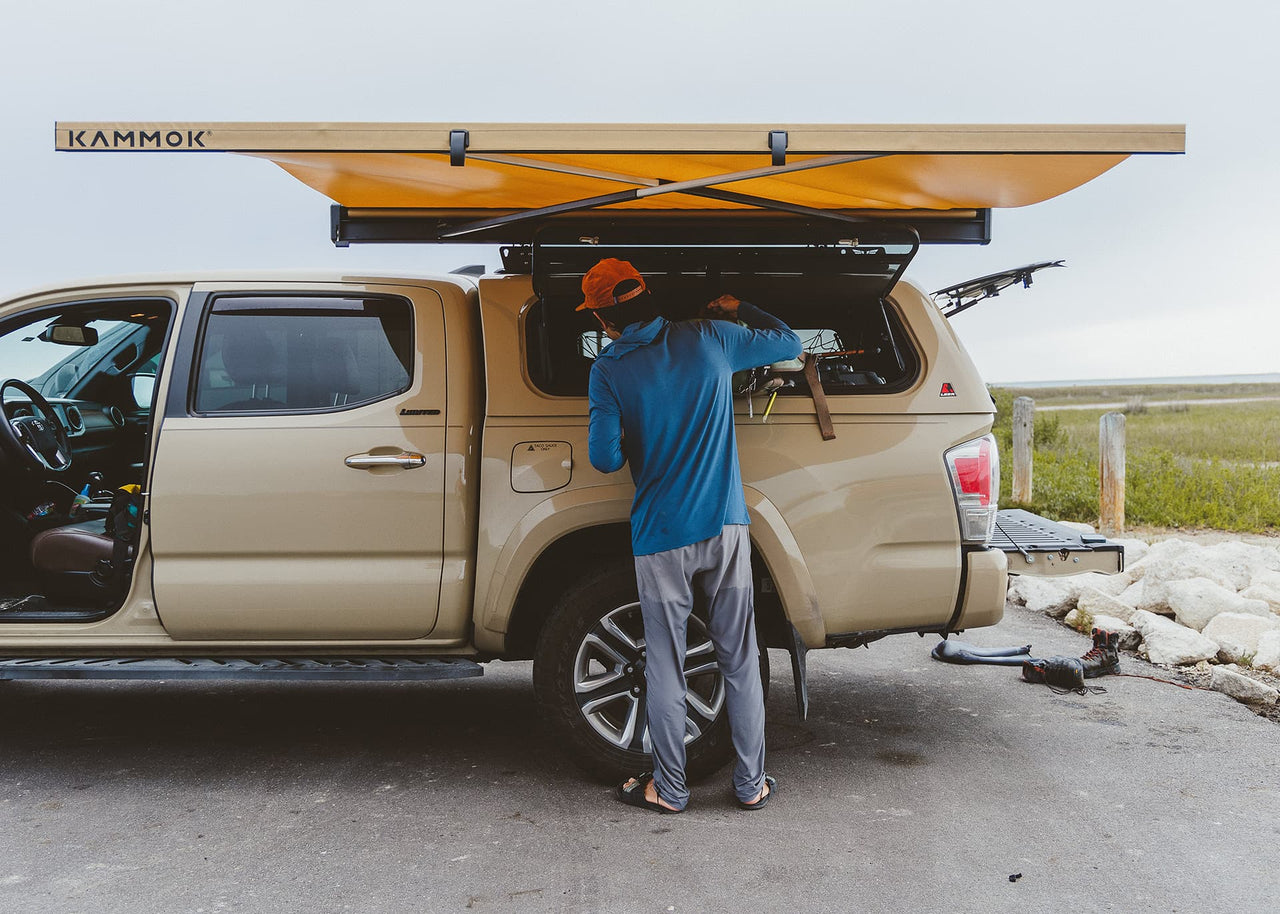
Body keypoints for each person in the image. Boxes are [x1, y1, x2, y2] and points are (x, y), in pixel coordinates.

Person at [581, 257, 802, 813]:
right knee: (740, 658)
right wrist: (738, 308)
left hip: (661, 537)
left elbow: (604, 459)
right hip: (725, 528)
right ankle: (751, 786)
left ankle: (671, 790)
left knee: (665, 661)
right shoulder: (713, 338)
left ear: (608, 319)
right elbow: (787, 340)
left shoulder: (608, 370)